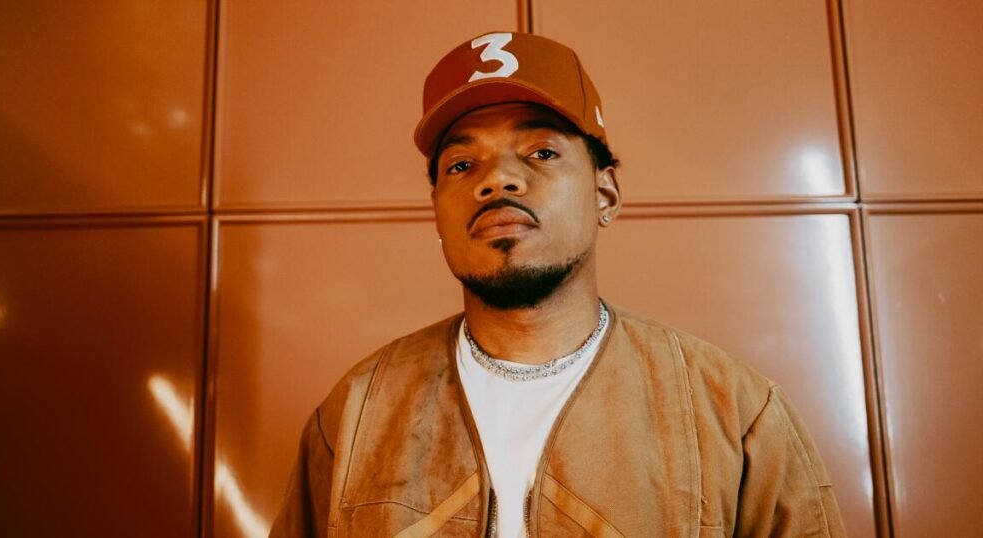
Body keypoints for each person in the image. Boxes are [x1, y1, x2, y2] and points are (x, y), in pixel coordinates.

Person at [270, 31, 846, 537]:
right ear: (437, 211)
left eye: (541, 152)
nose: (498, 179)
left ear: (605, 194)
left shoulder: (735, 413)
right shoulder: (357, 410)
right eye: (462, 165)